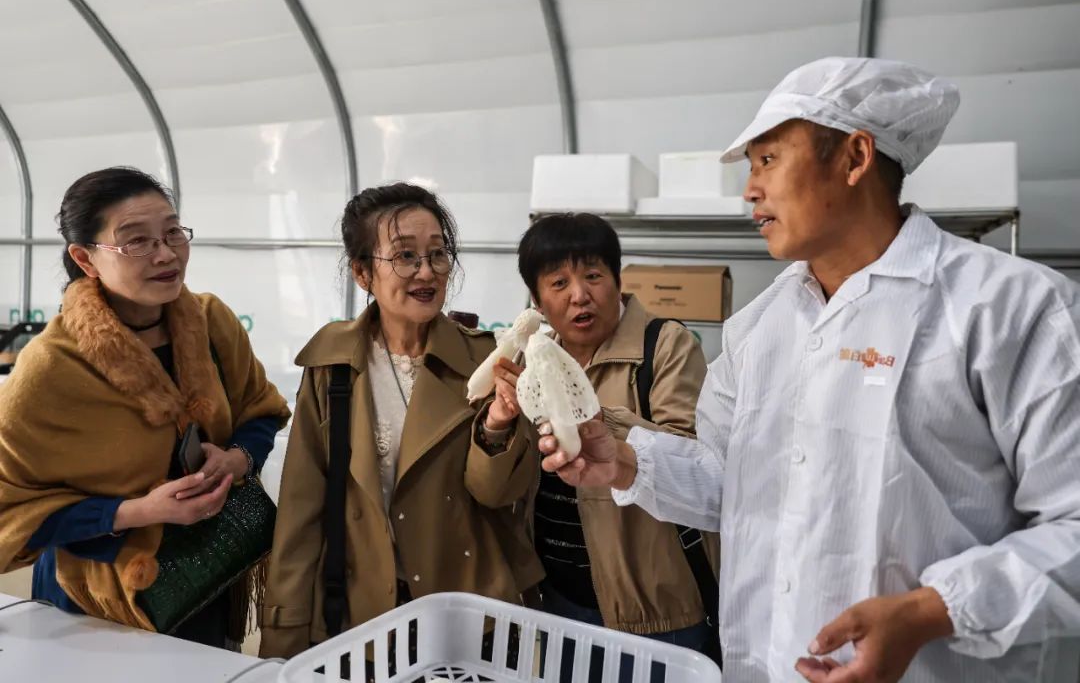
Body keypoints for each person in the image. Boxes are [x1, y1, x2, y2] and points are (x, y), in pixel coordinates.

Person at [538, 57, 1080, 682]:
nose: (749, 190)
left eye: (768, 160)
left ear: (855, 157)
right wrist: (627, 461)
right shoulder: (759, 329)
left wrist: (931, 611)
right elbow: (729, 482)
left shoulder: (1010, 308)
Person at [0, 167, 290, 648]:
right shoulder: (51, 367)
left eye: (173, 232)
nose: (166, 254)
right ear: (84, 258)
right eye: (137, 241)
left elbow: (261, 410)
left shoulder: (211, 322)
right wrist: (136, 512)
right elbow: (11, 510)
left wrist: (236, 459)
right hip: (95, 602)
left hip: (206, 571)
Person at [260, 182, 543, 659]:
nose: (426, 271)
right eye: (405, 256)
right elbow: (302, 511)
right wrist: (283, 631)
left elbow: (496, 494)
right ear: (362, 272)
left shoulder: (486, 362)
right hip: (362, 614)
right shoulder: (333, 366)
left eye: (438, 254)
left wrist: (497, 423)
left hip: (468, 614)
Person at [483, 213, 718, 664]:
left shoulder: (666, 345)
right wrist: (499, 422)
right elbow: (501, 485)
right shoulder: (531, 361)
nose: (579, 295)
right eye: (559, 283)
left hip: (654, 610)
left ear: (617, 279)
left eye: (593, 276)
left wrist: (588, 413)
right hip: (560, 600)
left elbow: (696, 462)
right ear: (537, 301)